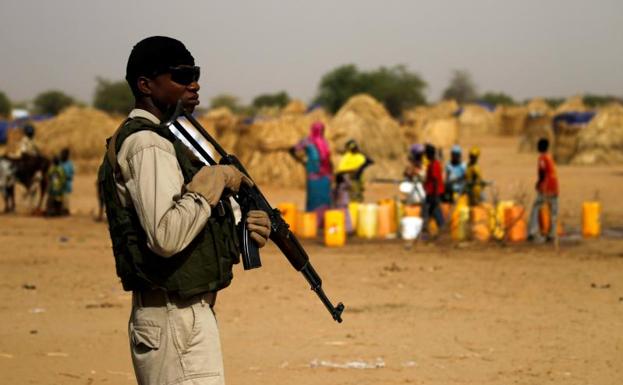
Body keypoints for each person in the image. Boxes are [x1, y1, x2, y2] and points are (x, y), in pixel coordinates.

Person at [97, 36, 271, 385]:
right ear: (145, 84)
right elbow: (166, 235)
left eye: (195, 74)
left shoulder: (161, 140)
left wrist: (240, 228)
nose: (194, 84)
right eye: (181, 75)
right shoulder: (148, 143)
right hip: (173, 317)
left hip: (180, 314)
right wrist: (212, 184)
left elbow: (189, 230)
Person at [289, 121, 333, 213]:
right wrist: (301, 160)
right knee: (314, 195)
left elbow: (328, 159)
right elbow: (292, 150)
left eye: (322, 130)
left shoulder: (325, 142)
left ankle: (322, 220)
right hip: (313, 173)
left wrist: (331, 173)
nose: (321, 131)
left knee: (325, 196)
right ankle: (312, 218)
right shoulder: (307, 141)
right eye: (319, 130)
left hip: (326, 174)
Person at [528, 138, 559, 242]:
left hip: (546, 187)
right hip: (554, 187)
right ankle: (552, 234)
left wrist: (538, 183)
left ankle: (532, 231)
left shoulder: (542, 158)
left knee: (536, 207)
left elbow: (542, 171)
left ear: (539, 147)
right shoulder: (550, 157)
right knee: (553, 210)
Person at [334, 139, 373, 206]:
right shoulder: (347, 156)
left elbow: (365, 164)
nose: (353, 150)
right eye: (352, 148)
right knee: (349, 199)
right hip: (347, 179)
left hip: (356, 180)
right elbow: (341, 169)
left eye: (355, 148)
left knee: (356, 199)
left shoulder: (360, 157)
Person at [422, 143, 445, 235]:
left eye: (426, 153)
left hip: (433, 193)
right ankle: (437, 231)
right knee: (430, 212)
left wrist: (434, 196)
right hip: (431, 192)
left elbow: (435, 180)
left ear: (429, 154)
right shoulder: (433, 164)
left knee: (430, 211)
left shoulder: (434, 165)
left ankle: (439, 230)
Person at [59, 147, 74, 215]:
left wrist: (66, 177)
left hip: (66, 184)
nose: (62, 155)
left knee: (65, 198)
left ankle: (65, 210)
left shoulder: (69, 164)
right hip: (59, 184)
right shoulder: (59, 162)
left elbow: (71, 174)